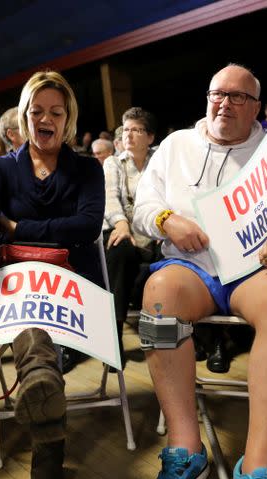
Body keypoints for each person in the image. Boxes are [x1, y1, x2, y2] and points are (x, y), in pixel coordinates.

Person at [133, 64, 267, 479]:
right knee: (159, 296)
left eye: (236, 97)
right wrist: (168, 220)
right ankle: (186, 451)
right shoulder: (175, 145)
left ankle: (259, 471)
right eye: (216, 94)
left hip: (251, 270)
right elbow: (143, 206)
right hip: (191, 269)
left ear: (255, 108)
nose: (223, 102)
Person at [0, 69, 105, 479]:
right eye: (37, 110)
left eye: (56, 112)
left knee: (34, 321)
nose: (46, 118)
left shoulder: (87, 168)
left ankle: (41, 392)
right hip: (16, 282)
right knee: (30, 321)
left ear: (68, 119)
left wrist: (21, 228)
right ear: (23, 117)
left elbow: (88, 226)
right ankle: (48, 449)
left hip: (73, 282)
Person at [102, 107, 159, 367]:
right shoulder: (113, 162)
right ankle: (113, 339)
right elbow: (110, 199)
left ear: (150, 137)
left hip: (155, 234)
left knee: (177, 256)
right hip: (125, 231)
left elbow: (170, 198)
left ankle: (173, 341)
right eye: (126, 130)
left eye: (136, 130)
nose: (129, 135)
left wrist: (164, 230)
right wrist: (122, 225)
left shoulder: (160, 162)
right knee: (119, 249)